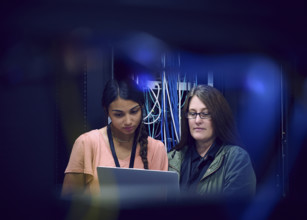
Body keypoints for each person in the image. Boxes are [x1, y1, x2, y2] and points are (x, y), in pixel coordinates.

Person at [61, 78, 168, 197]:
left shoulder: (156, 149)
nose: (128, 121)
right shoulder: (87, 143)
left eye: (134, 112)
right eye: (119, 114)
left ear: (142, 107)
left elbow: (161, 202)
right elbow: (69, 201)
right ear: (107, 112)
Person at [168, 84, 256, 200]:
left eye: (205, 114)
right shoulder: (173, 158)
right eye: (193, 113)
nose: (197, 120)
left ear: (219, 117)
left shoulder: (236, 159)